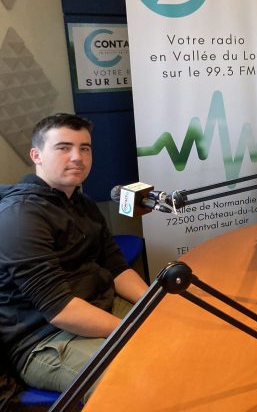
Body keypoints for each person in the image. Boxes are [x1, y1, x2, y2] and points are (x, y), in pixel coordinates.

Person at [0, 113, 149, 394]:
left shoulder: (82, 204)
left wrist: (155, 305)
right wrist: (134, 329)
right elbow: (60, 309)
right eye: (63, 147)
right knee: (133, 381)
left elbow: (116, 268)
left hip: (100, 306)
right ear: (36, 155)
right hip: (45, 338)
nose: (77, 157)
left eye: (85, 148)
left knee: (178, 334)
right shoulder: (19, 216)